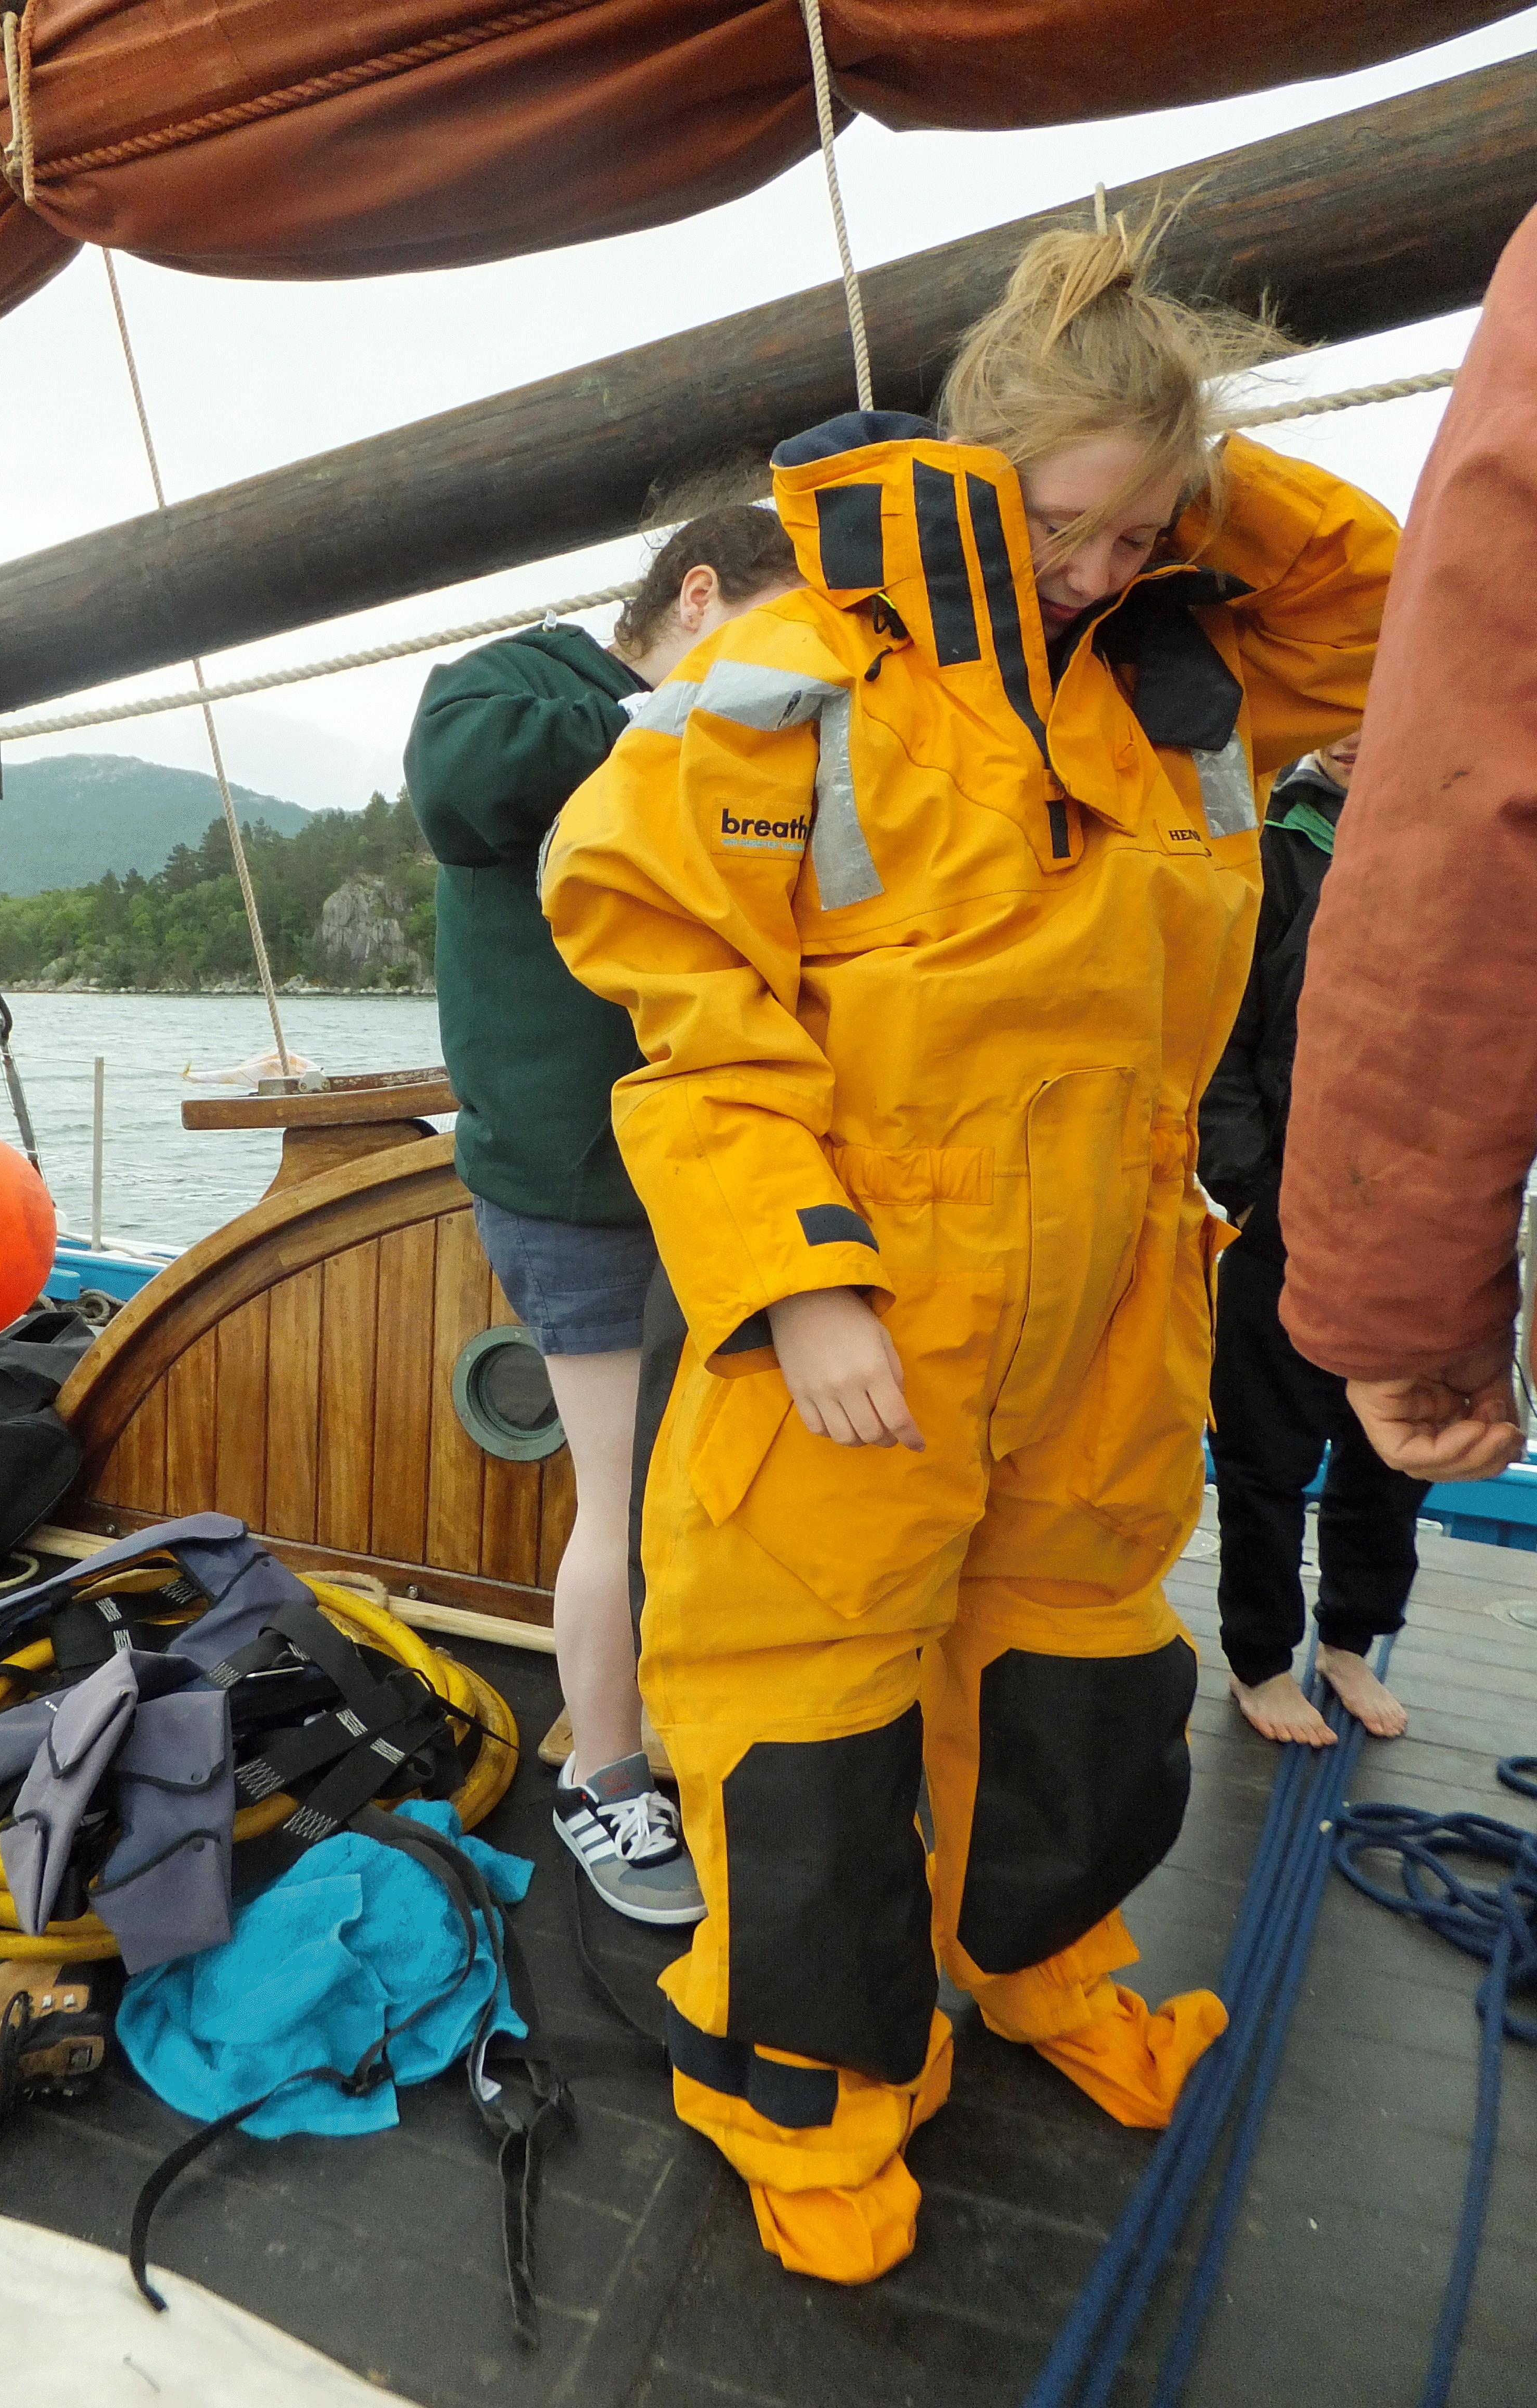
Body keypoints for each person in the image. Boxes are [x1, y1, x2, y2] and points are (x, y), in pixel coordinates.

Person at [542, 214, 1397, 2284]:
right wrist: (803, 1280)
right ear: (962, 471)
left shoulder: (1187, 685)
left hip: (1114, 1283)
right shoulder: (790, 681)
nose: (1104, 573)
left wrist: (1170, 433)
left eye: (1142, 535)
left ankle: (1040, 1966)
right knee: (811, 1705)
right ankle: (807, 2096)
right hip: (870, 1290)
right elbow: (683, 1010)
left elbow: (1396, 605)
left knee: (1080, 1655)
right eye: (1065, 525)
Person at [404, 507, 802, 1926]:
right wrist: (682, 717)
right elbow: (459, 789)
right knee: (626, 1500)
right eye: (775, 640)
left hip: (728, 1169)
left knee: (723, 1491)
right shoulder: (518, 687)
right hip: (577, 1183)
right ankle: (607, 1778)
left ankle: (693, 1728)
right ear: (699, 595)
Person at [1279, 206, 1536, 1487]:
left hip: (1332, 1204)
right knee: (1273, 1472)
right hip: (1241, 1210)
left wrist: (1394, 1297)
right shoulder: (1283, 836)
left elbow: (1474, 812)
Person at [1198, 728, 1426, 1746]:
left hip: (1416, 1218)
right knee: (1264, 1450)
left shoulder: (1457, 841)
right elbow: (1225, 1034)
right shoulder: (1269, 843)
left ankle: (1352, 1636)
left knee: (1395, 1447)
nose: (1353, 726)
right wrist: (1252, 1189)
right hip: (1284, 1213)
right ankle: (1259, 1656)